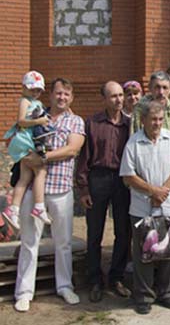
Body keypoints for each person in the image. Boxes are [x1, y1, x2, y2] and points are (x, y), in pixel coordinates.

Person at [13, 78, 86, 312]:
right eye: (58, 93)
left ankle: (64, 286)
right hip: (33, 192)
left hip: (61, 190)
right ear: (50, 95)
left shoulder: (75, 121)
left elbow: (72, 149)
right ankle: (24, 292)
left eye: (66, 94)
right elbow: (19, 138)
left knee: (63, 242)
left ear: (71, 98)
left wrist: (42, 157)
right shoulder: (35, 114)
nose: (62, 97)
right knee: (29, 242)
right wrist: (26, 155)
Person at [120, 101, 170, 314]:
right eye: (153, 119)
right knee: (144, 253)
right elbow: (128, 175)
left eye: (160, 119)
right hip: (143, 207)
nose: (157, 123)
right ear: (143, 120)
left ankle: (167, 293)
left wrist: (163, 191)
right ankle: (143, 296)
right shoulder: (134, 143)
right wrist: (152, 191)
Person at [76, 81, 132, 302]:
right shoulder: (92, 123)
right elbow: (84, 158)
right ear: (104, 99)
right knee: (95, 233)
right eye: (113, 96)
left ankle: (116, 278)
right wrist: (83, 189)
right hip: (97, 178)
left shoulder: (130, 124)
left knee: (123, 232)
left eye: (121, 95)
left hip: (122, 180)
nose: (119, 100)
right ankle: (95, 280)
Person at [3, 71, 53, 228]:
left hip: (28, 140)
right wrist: (39, 121)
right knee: (41, 170)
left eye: (38, 90)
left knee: (24, 178)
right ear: (24, 87)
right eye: (32, 89)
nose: (35, 93)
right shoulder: (24, 101)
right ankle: (39, 206)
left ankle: (13, 209)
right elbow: (21, 121)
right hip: (25, 141)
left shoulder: (37, 103)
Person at [131, 71, 170, 151]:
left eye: (165, 88)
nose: (161, 92)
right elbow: (133, 139)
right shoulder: (140, 110)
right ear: (150, 88)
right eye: (157, 87)